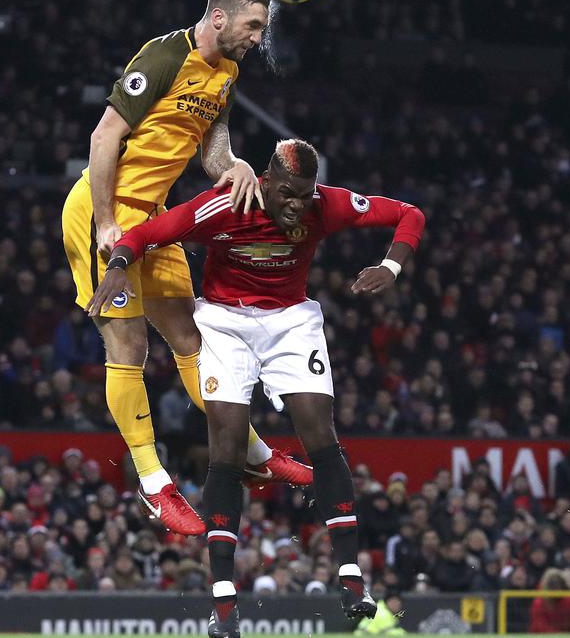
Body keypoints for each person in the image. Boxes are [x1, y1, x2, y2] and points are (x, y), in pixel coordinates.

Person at [88, 138, 424, 636]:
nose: (296, 205)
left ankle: (351, 577)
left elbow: (409, 214)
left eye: (304, 195)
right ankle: (223, 602)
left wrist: (391, 266)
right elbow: (144, 235)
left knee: (321, 436)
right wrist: (117, 267)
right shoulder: (223, 207)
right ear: (265, 183)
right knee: (225, 447)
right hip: (225, 323)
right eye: (288, 193)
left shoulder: (324, 204)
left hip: (291, 321)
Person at [61, 0, 307, 535]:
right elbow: (104, 139)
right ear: (219, 18)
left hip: (153, 219)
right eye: (252, 27)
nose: (257, 39)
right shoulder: (165, 53)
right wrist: (106, 223)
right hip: (105, 211)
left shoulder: (227, 74)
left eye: (262, 30)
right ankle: (155, 485)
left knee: (194, 341)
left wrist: (236, 164)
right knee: (128, 345)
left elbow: (211, 152)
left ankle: (256, 454)